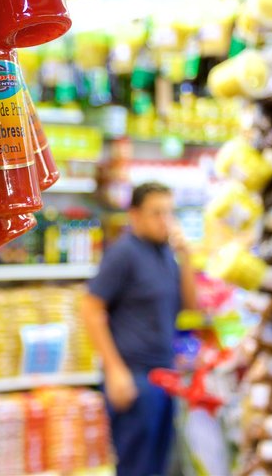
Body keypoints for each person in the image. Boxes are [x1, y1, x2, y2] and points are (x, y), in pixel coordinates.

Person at [81, 182, 198, 476]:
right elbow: (90, 308)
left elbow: (191, 307)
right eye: (156, 213)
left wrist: (187, 259)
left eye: (169, 213)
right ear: (134, 215)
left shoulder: (166, 255)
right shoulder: (124, 253)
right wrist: (115, 371)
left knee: (158, 466)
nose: (165, 221)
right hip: (134, 378)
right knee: (135, 467)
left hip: (165, 375)